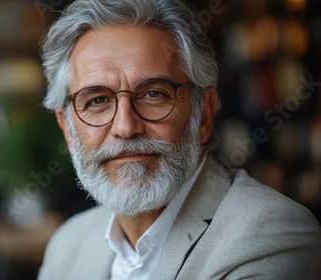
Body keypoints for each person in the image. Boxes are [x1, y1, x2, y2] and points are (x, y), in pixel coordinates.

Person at [37, 0, 321, 279]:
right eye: (97, 100)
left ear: (205, 115)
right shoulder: (68, 243)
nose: (125, 127)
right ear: (68, 130)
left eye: (153, 94)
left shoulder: (271, 235)